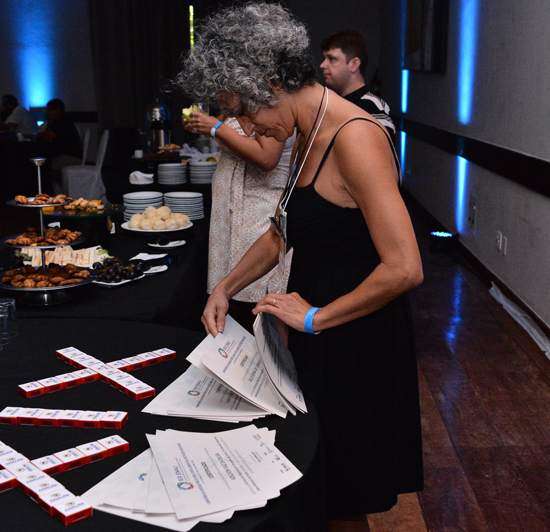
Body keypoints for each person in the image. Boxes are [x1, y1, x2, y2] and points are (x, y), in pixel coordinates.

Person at [176, 4, 423, 531]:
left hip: (356, 333)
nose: (246, 127)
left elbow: (405, 268)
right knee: (320, 483)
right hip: (320, 327)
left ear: (271, 82)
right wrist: (225, 287)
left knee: (344, 496)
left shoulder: (356, 136)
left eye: (244, 112)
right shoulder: (307, 132)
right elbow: (281, 230)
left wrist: (315, 318)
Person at [184, 110, 295, 333]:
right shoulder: (236, 103)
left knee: (256, 310)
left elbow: (267, 157)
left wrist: (216, 128)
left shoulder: (264, 100)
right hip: (233, 216)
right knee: (231, 303)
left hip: (257, 212)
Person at [320, 30, 395, 139]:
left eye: (332, 59)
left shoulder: (373, 108)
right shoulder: (337, 104)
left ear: (354, 64)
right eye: (324, 58)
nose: (322, 65)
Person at [35, 98, 83, 180]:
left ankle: (57, 183)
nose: (47, 113)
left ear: (57, 111)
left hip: (70, 156)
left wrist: (43, 132)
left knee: (45, 165)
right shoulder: (58, 123)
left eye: (49, 110)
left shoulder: (63, 123)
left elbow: (47, 137)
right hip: (65, 154)